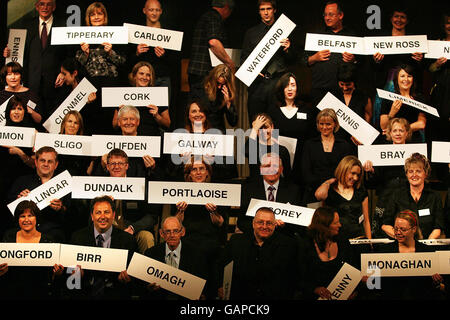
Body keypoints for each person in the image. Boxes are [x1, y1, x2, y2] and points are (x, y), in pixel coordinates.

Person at [173, 156, 229, 298]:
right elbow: (176, 224)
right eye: (194, 169)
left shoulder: (218, 191)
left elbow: (220, 223)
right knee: (190, 250)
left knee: (206, 249)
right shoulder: (182, 191)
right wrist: (181, 211)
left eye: (202, 169)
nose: (198, 172)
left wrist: (213, 211)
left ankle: (206, 294)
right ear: (189, 174)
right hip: (188, 237)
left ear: (207, 172)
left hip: (209, 237)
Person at [217, 207, 301, 300]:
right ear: (253, 223)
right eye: (260, 222)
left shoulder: (289, 245)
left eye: (269, 223)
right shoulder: (236, 241)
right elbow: (221, 266)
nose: (264, 226)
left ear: (274, 225)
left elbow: (294, 277)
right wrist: (220, 286)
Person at [3, 0, 67, 119]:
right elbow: (19, 51)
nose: (45, 7)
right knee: (31, 117)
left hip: (55, 85)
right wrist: (8, 53)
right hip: (31, 83)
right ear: (36, 7)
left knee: (51, 120)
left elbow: (68, 54)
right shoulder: (26, 25)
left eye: (49, 4)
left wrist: (63, 72)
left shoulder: (63, 26)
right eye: (42, 4)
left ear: (54, 7)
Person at [68, 195, 137, 299]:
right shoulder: (77, 238)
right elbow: (71, 282)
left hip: (115, 293)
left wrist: (128, 277)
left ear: (113, 215)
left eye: (107, 212)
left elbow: (134, 278)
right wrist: (76, 276)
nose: (103, 216)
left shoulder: (128, 240)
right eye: (98, 212)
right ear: (92, 216)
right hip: (85, 294)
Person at [75, 2, 126, 135]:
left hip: (111, 84)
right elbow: (78, 63)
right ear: (88, 18)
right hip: (91, 85)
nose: (96, 17)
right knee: (92, 121)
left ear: (105, 17)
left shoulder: (115, 34)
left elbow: (123, 61)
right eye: (92, 14)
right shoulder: (82, 35)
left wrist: (111, 52)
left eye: (99, 13)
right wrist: (85, 53)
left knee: (109, 122)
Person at [241, 0, 296, 121]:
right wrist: (253, 72)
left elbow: (293, 60)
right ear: (259, 12)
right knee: (256, 122)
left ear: (274, 10)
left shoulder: (285, 31)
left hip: (277, 83)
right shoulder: (251, 33)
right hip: (257, 85)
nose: (266, 13)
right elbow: (243, 59)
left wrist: (287, 50)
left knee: (275, 124)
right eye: (262, 9)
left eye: (269, 9)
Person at [371, 7, 425, 128]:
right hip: (386, 83)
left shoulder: (415, 39)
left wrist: (420, 59)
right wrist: (377, 60)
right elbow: (374, 67)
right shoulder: (382, 38)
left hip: (407, 84)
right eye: (396, 16)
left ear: (407, 20)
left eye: (402, 17)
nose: (399, 20)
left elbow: (421, 67)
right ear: (391, 19)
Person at [373, 210, 444, 300]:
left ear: (414, 229)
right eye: (395, 229)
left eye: (403, 229)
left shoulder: (427, 252)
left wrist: (436, 282)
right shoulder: (384, 251)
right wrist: (370, 280)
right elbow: (375, 286)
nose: (398, 233)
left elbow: (431, 288)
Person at [0, 200, 62, 299]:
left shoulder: (48, 240)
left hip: (41, 293)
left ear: (36, 218)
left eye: (30, 215)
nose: (26, 219)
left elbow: (52, 275)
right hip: (12, 292)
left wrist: (57, 273)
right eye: (22, 216)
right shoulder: (9, 236)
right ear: (17, 219)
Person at [303, 1, 359, 108]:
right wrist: (315, 57)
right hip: (320, 89)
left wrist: (354, 60)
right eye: (325, 15)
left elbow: (362, 62)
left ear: (340, 15)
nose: (327, 18)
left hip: (344, 91)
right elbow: (303, 60)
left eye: (331, 14)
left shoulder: (352, 36)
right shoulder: (317, 35)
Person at [103, 148, 160, 254]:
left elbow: (152, 216)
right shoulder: (98, 185)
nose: (116, 167)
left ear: (127, 166)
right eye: (113, 163)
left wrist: (133, 228)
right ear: (107, 166)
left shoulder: (140, 184)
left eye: (120, 163)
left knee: (146, 237)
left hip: (133, 230)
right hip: (106, 230)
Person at [297, 206, 361, 300]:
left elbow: (354, 268)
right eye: (335, 223)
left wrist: (353, 290)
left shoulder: (343, 241)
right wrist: (314, 289)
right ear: (324, 226)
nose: (340, 225)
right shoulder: (305, 245)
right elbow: (297, 277)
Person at [7, 146, 69, 242]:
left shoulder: (65, 184)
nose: (46, 164)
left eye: (50, 161)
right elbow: (9, 212)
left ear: (56, 165)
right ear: (36, 162)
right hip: (24, 233)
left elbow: (74, 216)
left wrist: (61, 208)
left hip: (52, 234)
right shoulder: (21, 181)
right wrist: (19, 201)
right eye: (42, 160)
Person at [363, 117, 412, 237]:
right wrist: (371, 171)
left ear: (407, 133)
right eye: (395, 131)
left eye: (401, 130)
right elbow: (374, 182)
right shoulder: (380, 152)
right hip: (386, 198)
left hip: (408, 199)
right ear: (389, 133)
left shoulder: (415, 152)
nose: (398, 134)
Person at [381, 153, 445, 239]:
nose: (414, 175)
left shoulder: (435, 196)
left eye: (418, 171)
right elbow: (385, 225)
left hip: (427, 245)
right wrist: (400, 237)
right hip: (401, 246)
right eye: (411, 171)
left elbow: (438, 227)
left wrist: (426, 245)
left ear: (425, 174)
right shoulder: (397, 195)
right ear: (406, 174)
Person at [238, 153, 302, 238]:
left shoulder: (294, 190)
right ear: (261, 169)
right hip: (255, 238)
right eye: (267, 166)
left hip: (283, 238)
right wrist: (260, 228)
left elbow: (300, 224)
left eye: (275, 166)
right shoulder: (248, 190)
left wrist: (285, 225)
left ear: (281, 169)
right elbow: (242, 222)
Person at [142, 216, 208, 300]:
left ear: (182, 232)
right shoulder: (150, 254)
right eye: (168, 231)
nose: (172, 235)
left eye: (176, 231)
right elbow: (143, 287)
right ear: (161, 233)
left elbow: (202, 285)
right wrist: (149, 288)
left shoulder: (196, 254)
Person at [0, 96, 39, 237]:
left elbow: (36, 164)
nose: (16, 112)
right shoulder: (1, 131)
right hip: (2, 183)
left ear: (24, 111)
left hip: (24, 183)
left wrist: (19, 152)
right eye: (13, 109)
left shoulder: (33, 133)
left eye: (19, 108)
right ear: (8, 112)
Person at [267, 72, 315, 182]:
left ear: (297, 88)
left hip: (302, 160)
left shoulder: (306, 110)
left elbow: (311, 135)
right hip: (278, 160)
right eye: (286, 85)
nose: (290, 89)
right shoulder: (273, 110)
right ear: (281, 89)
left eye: (293, 85)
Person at [300, 108, 353, 204]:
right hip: (313, 192)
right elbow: (305, 173)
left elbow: (346, 171)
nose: (324, 127)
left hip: (338, 192)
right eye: (321, 124)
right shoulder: (309, 144)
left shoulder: (344, 145)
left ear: (335, 124)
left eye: (328, 124)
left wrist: (329, 184)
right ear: (317, 124)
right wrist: (323, 185)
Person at [315, 155, 371, 240]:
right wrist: (328, 182)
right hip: (335, 240)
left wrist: (369, 242)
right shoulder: (330, 190)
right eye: (352, 173)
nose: (355, 178)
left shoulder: (361, 191)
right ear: (343, 170)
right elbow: (319, 196)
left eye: (358, 175)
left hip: (358, 238)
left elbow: (366, 221)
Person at [187, 0, 235, 98]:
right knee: (204, 107)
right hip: (203, 74)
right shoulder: (214, 17)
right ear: (226, 7)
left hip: (198, 72)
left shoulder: (206, 16)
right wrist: (229, 62)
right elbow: (213, 42)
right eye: (230, 10)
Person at [112, 61, 170, 136]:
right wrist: (120, 113)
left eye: (148, 75)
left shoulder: (158, 95)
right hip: (128, 138)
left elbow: (167, 124)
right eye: (141, 74)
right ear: (134, 76)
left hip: (150, 138)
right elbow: (115, 126)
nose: (144, 77)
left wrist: (157, 116)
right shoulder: (124, 94)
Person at [379, 64, 427, 143]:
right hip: (393, 142)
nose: (406, 79)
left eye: (409, 76)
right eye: (402, 76)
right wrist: (392, 112)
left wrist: (401, 131)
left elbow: (421, 124)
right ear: (397, 79)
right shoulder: (388, 98)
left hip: (413, 140)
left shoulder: (419, 99)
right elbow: (383, 126)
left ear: (413, 79)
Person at [333, 63, 372, 151]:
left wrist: (362, 136)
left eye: (348, 84)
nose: (345, 88)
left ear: (354, 82)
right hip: (337, 142)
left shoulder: (363, 97)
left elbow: (368, 117)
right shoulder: (333, 96)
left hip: (356, 143)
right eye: (342, 84)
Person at [53, 58, 97, 134]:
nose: (62, 77)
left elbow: (92, 117)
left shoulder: (89, 89)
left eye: (64, 74)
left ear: (74, 73)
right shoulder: (63, 88)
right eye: (61, 74)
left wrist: (90, 103)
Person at [245, 112, 292, 180]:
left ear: (272, 127)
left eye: (266, 127)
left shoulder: (282, 150)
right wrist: (254, 128)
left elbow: (288, 176)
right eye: (260, 128)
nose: (264, 131)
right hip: (256, 187)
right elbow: (246, 151)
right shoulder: (253, 148)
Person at [197, 64, 238, 133]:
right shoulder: (201, 89)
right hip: (201, 129)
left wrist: (228, 103)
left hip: (218, 132)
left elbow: (233, 122)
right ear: (212, 79)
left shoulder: (225, 93)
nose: (219, 87)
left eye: (223, 84)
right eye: (218, 83)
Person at [0, 62, 43, 127]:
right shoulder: (1, 95)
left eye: (16, 74)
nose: (13, 77)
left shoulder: (31, 95)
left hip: (26, 133)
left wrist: (31, 112)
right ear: (5, 77)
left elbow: (39, 120)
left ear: (21, 76)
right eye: (9, 74)